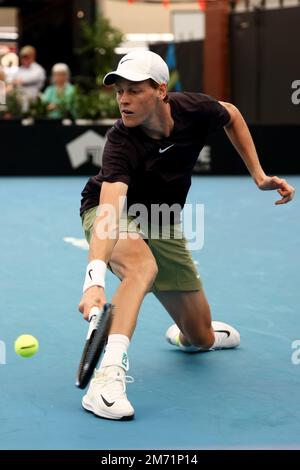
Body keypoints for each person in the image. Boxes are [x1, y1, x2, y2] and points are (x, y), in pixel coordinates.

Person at [79, 50, 295, 421]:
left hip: (162, 220)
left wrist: (259, 175)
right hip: (109, 212)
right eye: (119, 92)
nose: (124, 100)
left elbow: (233, 115)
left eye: (134, 90)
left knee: (202, 338)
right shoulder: (121, 141)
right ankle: (107, 378)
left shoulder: (195, 109)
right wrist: (94, 279)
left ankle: (186, 336)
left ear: (161, 91)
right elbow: (111, 208)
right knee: (140, 269)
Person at [12, 45, 46, 111]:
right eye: (23, 57)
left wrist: (20, 81)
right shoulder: (20, 69)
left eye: (27, 57)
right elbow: (13, 80)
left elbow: (30, 79)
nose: (25, 59)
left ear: (33, 56)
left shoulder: (38, 69)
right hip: (19, 101)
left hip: (33, 101)